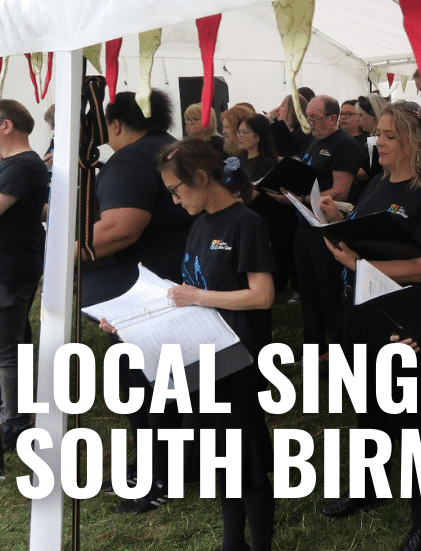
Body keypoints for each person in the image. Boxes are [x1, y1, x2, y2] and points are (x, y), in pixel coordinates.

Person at [319, 100, 421, 551]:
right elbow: (367, 232)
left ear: (414, 143)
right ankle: (369, 485)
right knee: (368, 409)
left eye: (390, 136)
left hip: (404, 321)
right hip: (362, 311)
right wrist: (338, 220)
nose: (379, 142)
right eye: (379, 133)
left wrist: (362, 263)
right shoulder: (377, 182)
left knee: (416, 421)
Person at [153, 140, 275, 551]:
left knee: (248, 465)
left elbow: (261, 295)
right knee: (219, 460)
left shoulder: (245, 223)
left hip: (238, 362)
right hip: (202, 358)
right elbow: (192, 287)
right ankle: (231, 542)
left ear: (202, 179)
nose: (174, 199)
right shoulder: (200, 220)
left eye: (177, 190)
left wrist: (199, 298)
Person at [83, 90, 193, 513]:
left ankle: (159, 477)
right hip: (172, 286)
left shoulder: (129, 160)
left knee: (145, 389)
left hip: (144, 297)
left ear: (115, 124)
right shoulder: (171, 148)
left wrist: (59, 254)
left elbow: (119, 230)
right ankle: (166, 464)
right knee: (168, 387)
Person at [0, 99, 50, 448]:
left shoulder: (22, 166)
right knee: (12, 343)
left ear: (6, 125)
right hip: (6, 267)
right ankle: (10, 410)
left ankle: (14, 424)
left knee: (7, 349)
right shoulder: (9, 164)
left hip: (8, 271)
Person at [294, 95, 363, 348]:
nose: (310, 123)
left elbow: (341, 190)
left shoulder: (344, 145)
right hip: (304, 222)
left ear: (332, 119)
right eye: (308, 118)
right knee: (307, 287)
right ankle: (314, 346)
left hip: (326, 226)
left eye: (315, 118)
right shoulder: (313, 142)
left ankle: (337, 346)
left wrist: (301, 197)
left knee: (328, 289)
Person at [236, 113, 296, 293]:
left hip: (260, 223)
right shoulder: (240, 160)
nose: (239, 136)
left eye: (244, 132)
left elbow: (248, 197)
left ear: (258, 136)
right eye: (238, 132)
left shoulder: (266, 163)